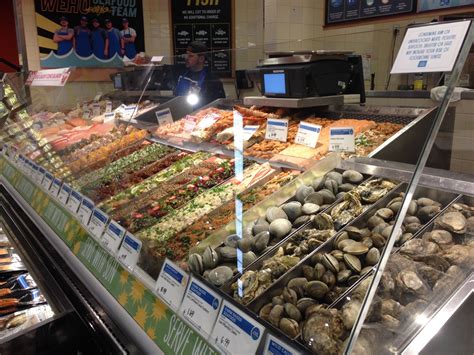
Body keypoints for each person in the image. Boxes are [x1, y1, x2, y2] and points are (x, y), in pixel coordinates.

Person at [174, 41, 226, 108]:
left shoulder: (212, 80)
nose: (186, 58)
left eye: (191, 56)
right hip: (180, 112)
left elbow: (219, 104)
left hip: (201, 114)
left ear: (201, 59)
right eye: (186, 55)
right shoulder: (180, 72)